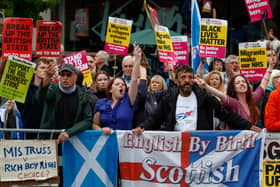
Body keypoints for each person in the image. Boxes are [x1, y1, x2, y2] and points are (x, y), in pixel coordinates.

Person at [137, 65, 260, 133]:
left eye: (190, 77)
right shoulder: (168, 98)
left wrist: (247, 125)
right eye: (183, 77)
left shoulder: (204, 97)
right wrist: (142, 127)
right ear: (177, 81)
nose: (187, 80)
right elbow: (156, 118)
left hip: (200, 148)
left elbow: (225, 114)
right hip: (175, 148)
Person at [197, 58, 274, 127]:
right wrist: (206, 86)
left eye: (243, 81)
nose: (241, 83)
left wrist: (270, 68)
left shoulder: (252, 98)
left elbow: (263, 86)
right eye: (238, 83)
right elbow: (220, 95)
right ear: (233, 88)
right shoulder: (233, 102)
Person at [92, 43, 141, 134]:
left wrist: (137, 59)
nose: (121, 86)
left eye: (123, 84)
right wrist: (101, 130)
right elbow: (95, 124)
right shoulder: (101, 103)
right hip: (106, 143)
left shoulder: (129, 100)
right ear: (110, 89)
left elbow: (134, 80)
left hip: (124, 145)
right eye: (117, 84)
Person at [38, 63, 93, 143]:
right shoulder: (53, 88)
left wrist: (69, 132)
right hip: (50, 139)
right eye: (62, 75)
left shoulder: (82, 94)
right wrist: (47, 78)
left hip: (71, 140)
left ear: (75, 77)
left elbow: (88, 120)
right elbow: (40, 97)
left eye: (68, 75)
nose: (65, 78)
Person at [17, 57, 50, 139]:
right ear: (35, 70)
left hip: (45, 133)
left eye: (47, 68)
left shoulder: (52, 89)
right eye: (42, 68)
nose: (45, 70)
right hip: (26, 131)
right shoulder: (24, 89)